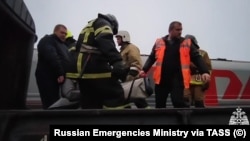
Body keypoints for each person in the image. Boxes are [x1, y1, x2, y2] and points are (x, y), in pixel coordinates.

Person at [140, 21, 211, 108]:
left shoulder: (186, 43)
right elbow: (151, 57)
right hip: (161, 79)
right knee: (159, 104)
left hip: (177, 78)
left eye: (181, 30)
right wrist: (144, 70)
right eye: (177, 30)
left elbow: (197, 57)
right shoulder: (159, 42)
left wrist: (204, 71)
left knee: (177, 102)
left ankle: (184, 119)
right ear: (170, 30)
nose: (180, 32)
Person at [75, 13, 130, 109]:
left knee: (91, 101)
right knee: (115, 93)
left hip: (82, 71)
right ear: (113, 24)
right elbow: (105, 40)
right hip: (92, 66)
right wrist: (116, 61)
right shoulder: (103, 23)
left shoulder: (90, 25)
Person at [35, 24, 70, 109]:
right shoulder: (48, 40)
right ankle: (48, 120)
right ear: (55, 31)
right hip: (47, 76)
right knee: (50, 102)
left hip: (57, 77)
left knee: (56, 102)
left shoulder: (63, 45)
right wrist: (60, 72)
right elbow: (51, 56)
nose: (64, 35)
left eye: (65, 34)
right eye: (62, 32)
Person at [115, 30, 149, 108]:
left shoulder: (131, 48)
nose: (117, 40)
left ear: (124, 38)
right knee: (130, 97)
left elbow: (136, 63)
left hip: (132, 76)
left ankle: (148, 113)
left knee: (136, 97)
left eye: (118, 38)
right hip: (127, 76)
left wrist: (130, 76)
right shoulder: (124, 49)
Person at [185, 34, 212, 108]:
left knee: (198, 101)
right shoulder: (182, 53)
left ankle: (201, 118)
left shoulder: (202, 53)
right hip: (186, 81)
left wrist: (206, 81)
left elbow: (208, 68)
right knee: (185, 99)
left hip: (199, 81)